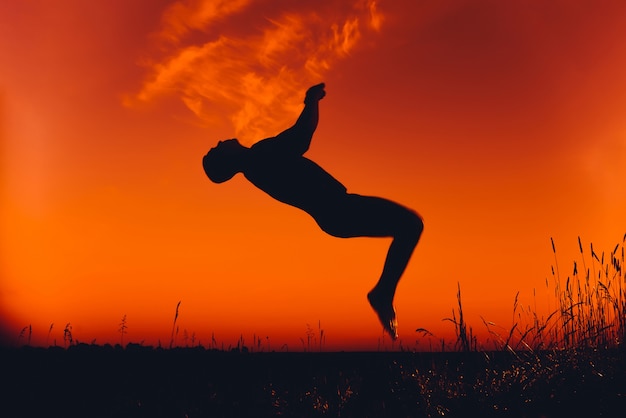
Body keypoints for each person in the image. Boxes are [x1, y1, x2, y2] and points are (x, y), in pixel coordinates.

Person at [202, 83, 423, 339]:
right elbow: (301, 136)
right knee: (411, 225)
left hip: (337, 212)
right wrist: (312, 100)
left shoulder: (255, 164)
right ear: (227, 162)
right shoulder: (258, 158)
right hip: (340, 210)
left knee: (409, 225)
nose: (218, 142)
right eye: (216, 149)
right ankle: (382, 293)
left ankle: (383, 291)